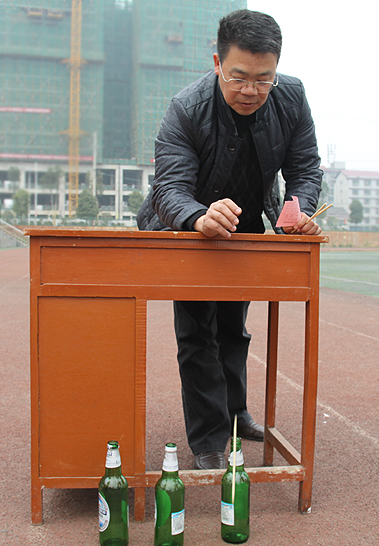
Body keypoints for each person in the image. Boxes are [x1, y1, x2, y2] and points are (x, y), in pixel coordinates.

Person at [137, 9, 322, 469]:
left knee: (233, 330)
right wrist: (199, 216)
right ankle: (208, 440)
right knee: (197, 333)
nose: (250, 90)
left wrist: (296, 213)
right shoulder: (187, 107)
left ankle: (236, 416)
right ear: (218, 62)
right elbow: (169, 188)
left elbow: (304, 167)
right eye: (238, 77)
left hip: (247, 229)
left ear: (276, 69)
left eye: (263, 79)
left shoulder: (292, 97)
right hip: (189, 229)